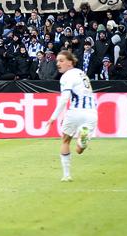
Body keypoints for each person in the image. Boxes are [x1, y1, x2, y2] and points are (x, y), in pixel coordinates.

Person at [44, 50, 98, 182]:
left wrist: (53, 117)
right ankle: (82, 140)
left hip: (75, 112)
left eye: (61, 60)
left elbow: (64, 99)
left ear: (70, 62)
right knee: (79, 149)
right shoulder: (81, 73)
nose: (58, 63)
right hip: (91, 113)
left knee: (65, 141)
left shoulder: (66, 77)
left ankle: (66, 175)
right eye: (57, 61)